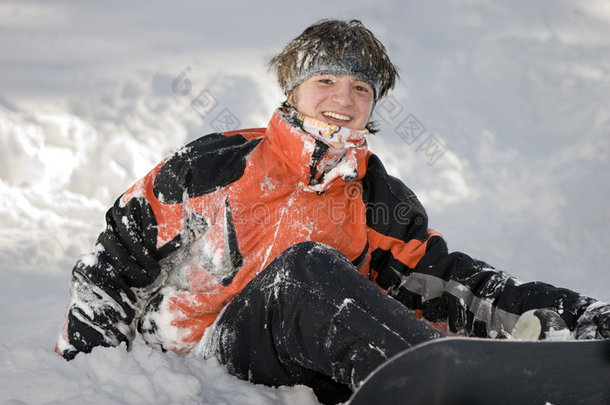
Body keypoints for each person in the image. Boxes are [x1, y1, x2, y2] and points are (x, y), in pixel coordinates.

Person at [56, 19, 610, 404]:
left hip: (310, 376)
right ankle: (451, 388)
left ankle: (464, 378)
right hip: (200, 363)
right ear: (293, 89)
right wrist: (90, 379)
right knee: (305, 269)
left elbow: (451, 283)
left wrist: (581, 315)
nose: (342, 102)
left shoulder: (377, 198)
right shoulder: (214, 168)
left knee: (412, 292)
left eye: (359, 89)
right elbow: (113, 263)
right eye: (325, 82)